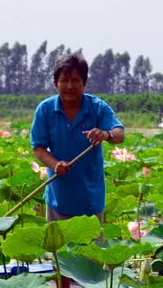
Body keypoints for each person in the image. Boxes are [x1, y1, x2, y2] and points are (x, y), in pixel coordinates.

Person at [30, 53, 125, 224]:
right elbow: (38, 148)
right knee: (59, 250)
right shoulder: (45, 110)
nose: (70, 86)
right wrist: (55, 165)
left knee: (91, 250)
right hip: (58, 200)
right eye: (64, 81)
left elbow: (119, 134)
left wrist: (105, 134)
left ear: (84, 83)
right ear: (55, 84)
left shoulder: (98, 108)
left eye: (75, 80)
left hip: (90, 202)